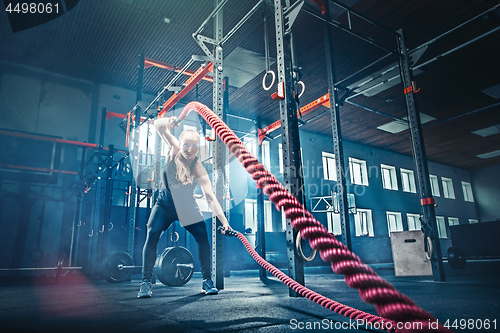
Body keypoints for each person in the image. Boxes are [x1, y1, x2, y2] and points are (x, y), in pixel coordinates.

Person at [138, 116, 231, 298]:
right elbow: (158, 125)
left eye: (194, 146)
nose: (189, 149)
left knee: (203, 237)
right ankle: (145, 282)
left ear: (198, 147)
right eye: (186, 144)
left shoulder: (198, 167)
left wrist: (225, 222)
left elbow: (210, 197)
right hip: (164, 204)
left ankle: (207, 280)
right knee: (152, 233)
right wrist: (170, 121)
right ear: (180, 144)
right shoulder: (173, 151)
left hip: (187, 206)